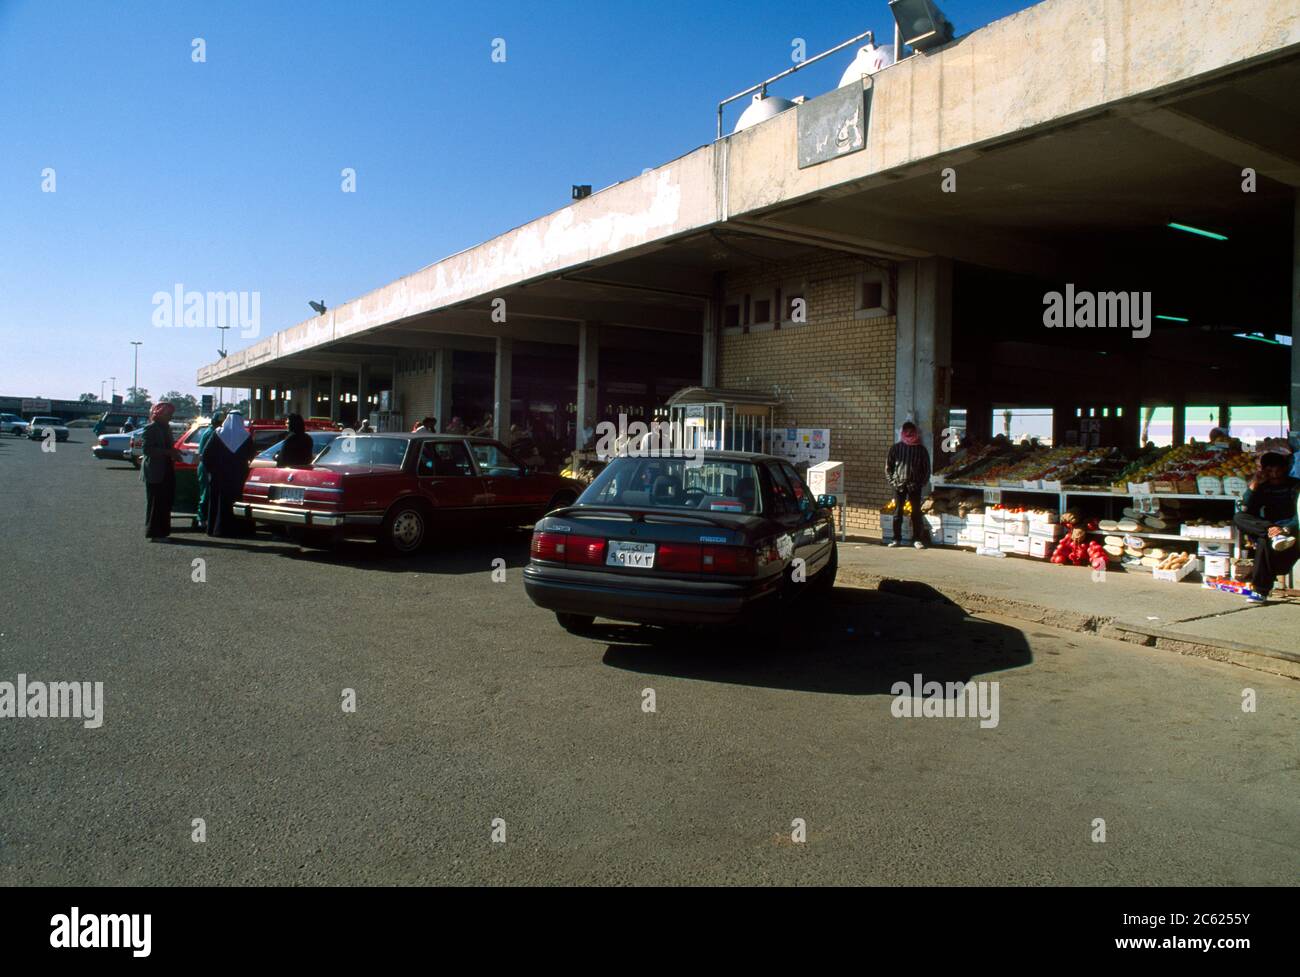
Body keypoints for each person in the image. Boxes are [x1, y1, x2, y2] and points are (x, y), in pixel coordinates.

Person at [1232, 451, 1298, 602]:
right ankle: (1272, 533)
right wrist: (1254, 485)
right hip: (1270, 529)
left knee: (1263, 541)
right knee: (1238, 517)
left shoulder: (1296, 486)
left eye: (1278, 470)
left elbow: (1299, 515)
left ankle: (1260, 591)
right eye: (1270, 471)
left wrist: (1286, 529)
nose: (1274, 475)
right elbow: (1245, 510)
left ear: (1285, 468)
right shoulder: (1262, 486)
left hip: (1291, 530)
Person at [202, 411, 255, 537]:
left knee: (219, 502)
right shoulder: (245, 436)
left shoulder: (218, 434)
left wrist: (211, 470)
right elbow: (252, 454)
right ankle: (237, 530)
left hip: (219, 474)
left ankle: (216, 529)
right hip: (238, 475)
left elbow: (206, 454)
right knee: (235, 501)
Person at [886, 421, 931, 549]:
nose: (909, 434)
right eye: (907, 432)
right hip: (899, 485)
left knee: (916, 513)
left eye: (912, 432)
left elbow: (926, 469)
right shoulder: (896, 448)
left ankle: (917, 539)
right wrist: (893, 482)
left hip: (915, 486)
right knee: (897, 513)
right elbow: (888, 468)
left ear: (916, 433)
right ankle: (896, 539)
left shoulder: (921, 449)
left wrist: (921, 483)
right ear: (903, 433)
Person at [141, 401, 181, 540]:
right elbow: (147, 450)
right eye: (168, 414)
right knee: (156, 503)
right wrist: (167, 452)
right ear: (160, 414)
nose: (170, 416)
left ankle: (163, 531)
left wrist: (176, 453)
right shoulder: (151, 428)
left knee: (165, 501)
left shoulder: (167, 428)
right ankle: (154, 533)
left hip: (166, 469)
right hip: (155, 471)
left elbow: (169, 447)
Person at [195, 410, 226, 531]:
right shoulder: (211, 433)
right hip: (207, 466)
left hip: (209, 466)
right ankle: (201, 518)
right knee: (206, 494)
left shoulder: (213, 432)